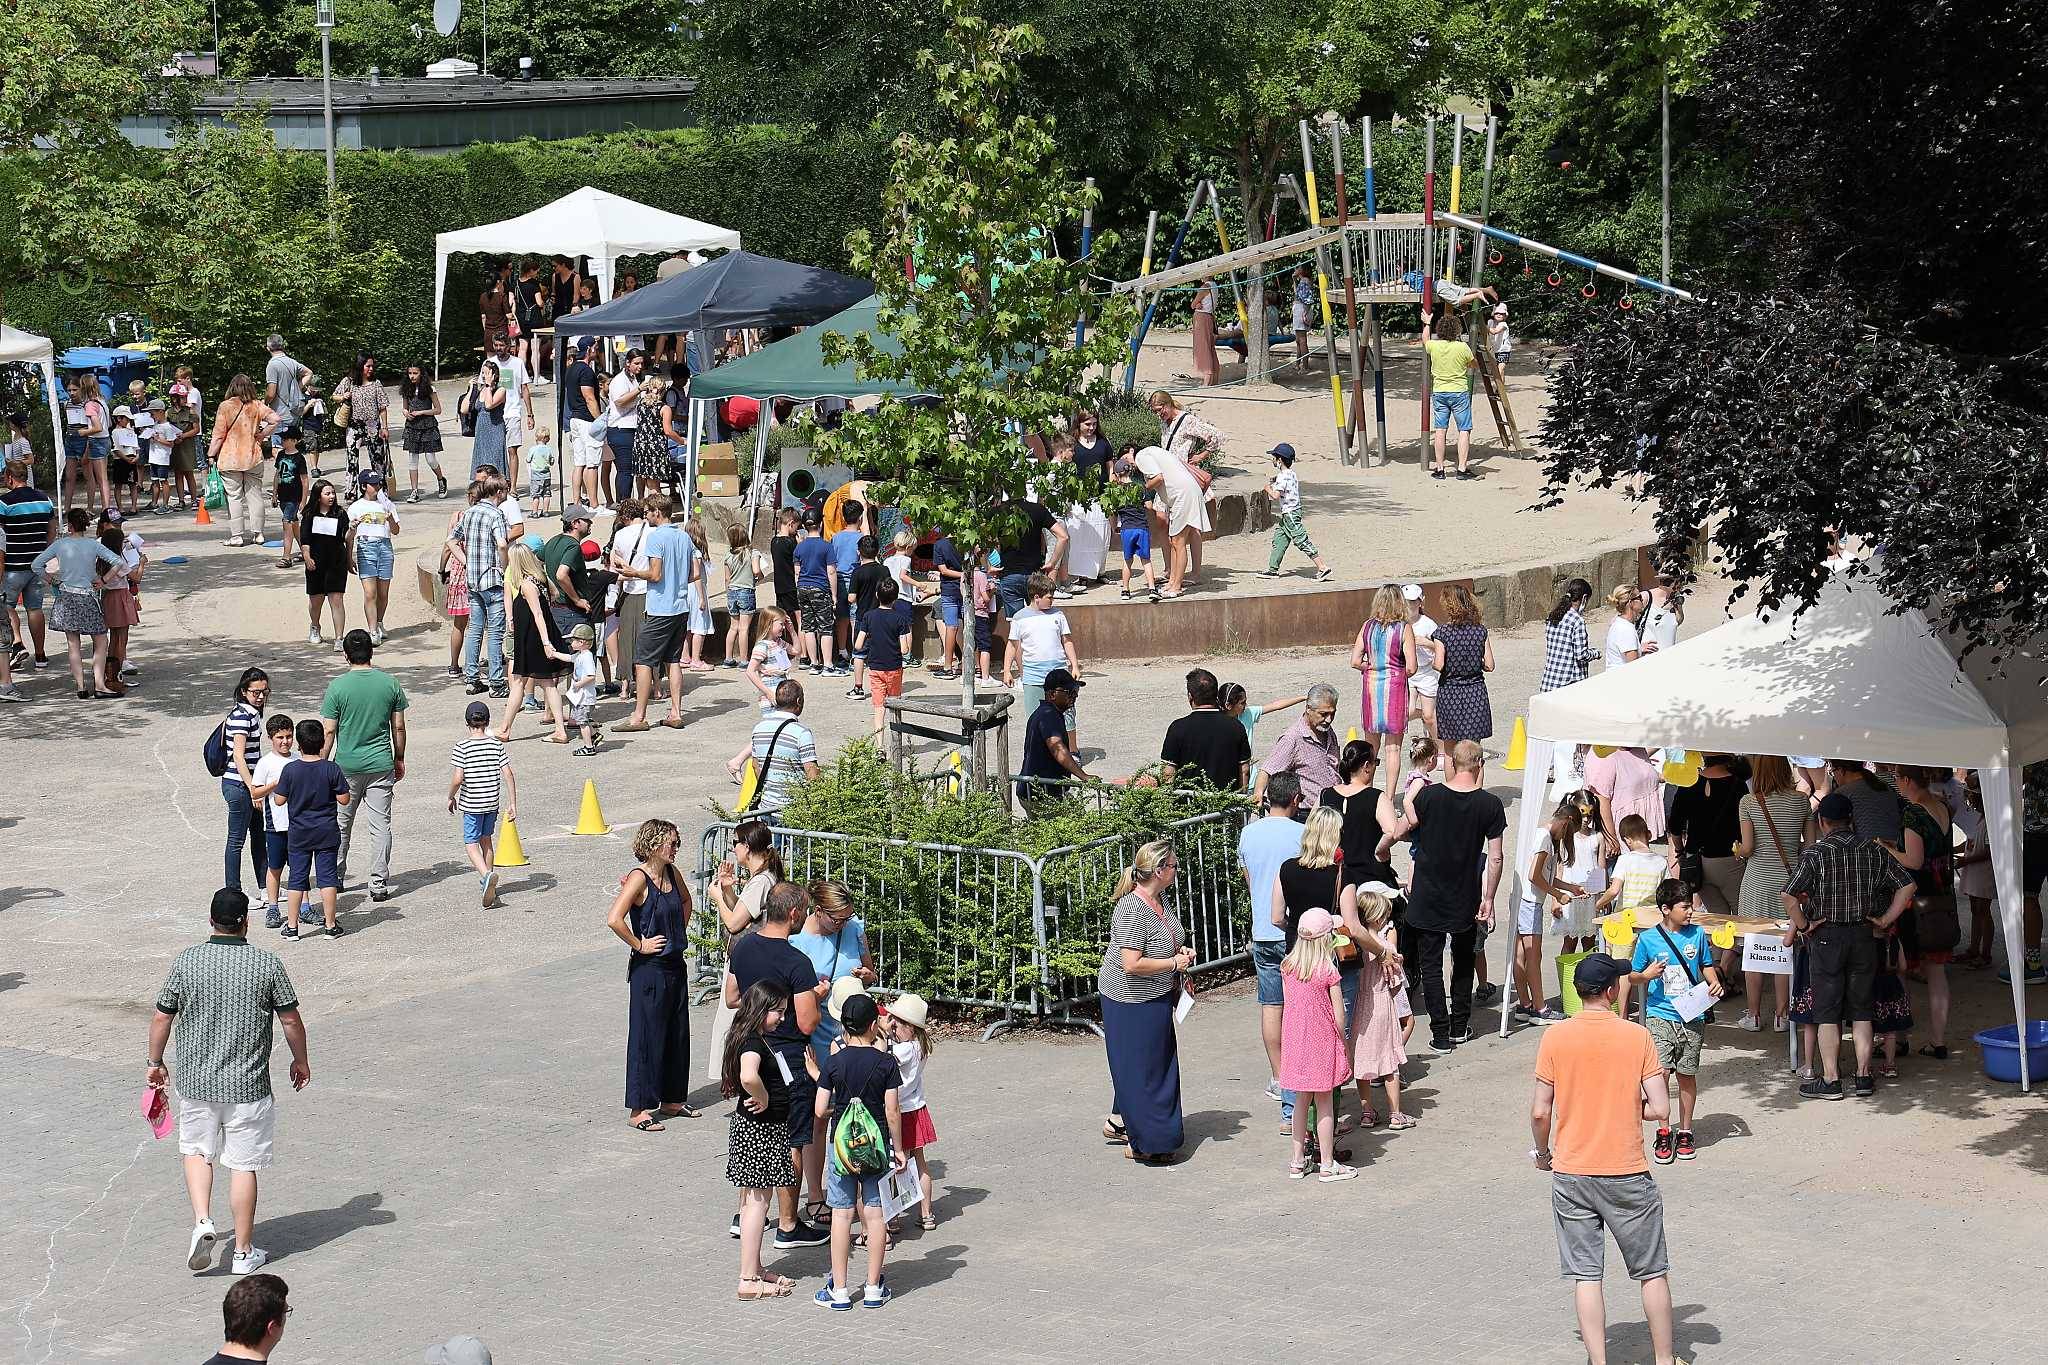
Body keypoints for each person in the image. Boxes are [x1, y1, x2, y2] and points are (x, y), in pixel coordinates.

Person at [148, 888, 310, 1278]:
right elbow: (290, 1020)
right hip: (249, 1087)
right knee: (243, 1165)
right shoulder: (266, 964)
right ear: (246, 922)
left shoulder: (187, 961)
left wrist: (155, 1063)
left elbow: (161, 1017)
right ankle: (242, 1251)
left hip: (197, 1084)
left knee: (196, 1152)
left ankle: (203, 1221)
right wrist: (300, 1060)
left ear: (210, 921)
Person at [1529, 953, 1680, 1365]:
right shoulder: (1637, 1037)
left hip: (1572, 1170)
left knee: (1586, 1274)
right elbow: (1661, 1108)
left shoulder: (1555, 1038)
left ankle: (1599, 1361)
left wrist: (1543, 1154)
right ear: (1612, 991)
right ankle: (1664, 1360)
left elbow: (1541, 1111)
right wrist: (1629, 1104)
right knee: (1651, 1271)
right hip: (1626, 1170)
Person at [1785, 791, 1916, 1099]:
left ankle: (1831, 1080)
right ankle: (1863, 1076)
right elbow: (1908, 885)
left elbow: (1789, 895)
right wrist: (1884, 920)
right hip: (1864, 936)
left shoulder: (1814, 855)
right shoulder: (1872, 851)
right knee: (1862, 1009)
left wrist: (1804, 926)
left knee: (1826, 1011)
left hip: (1826, 937)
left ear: (1823, 822)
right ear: (1852, 819)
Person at [726, 881, 831, 1248]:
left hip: (748, 1046)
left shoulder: (742, 945)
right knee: (794, 1139)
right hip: (788, 1057)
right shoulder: (796, 962)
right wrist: (816, 996)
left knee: (755, 1132)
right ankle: (788, 1222)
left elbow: (732, 997)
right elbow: (806, 1023)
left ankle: (746, 1214)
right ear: (792, 914)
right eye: (803, 910)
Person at [1404, 740, 1505, 1050]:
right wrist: (1488, 897)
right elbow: (1497, 857)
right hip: (1466, 893)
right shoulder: (1489, 805)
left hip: (1428, 891)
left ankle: (1440, 1033)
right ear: (1479, 766)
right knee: (1463, 958)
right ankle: (1460, 1025)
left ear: (1451, 764)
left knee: (1430, 963)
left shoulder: (1429, 796)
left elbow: (1407, 828)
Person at [1097, 840, 1193, 1164]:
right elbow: (1131, 963)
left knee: (1152, 1064)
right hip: (1129, 999)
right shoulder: (1132, 909)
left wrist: (1180, 952)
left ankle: (1120, 1119)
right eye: (1174, 866)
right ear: (1159, 870)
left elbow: (1166, 941)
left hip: (1158, 995)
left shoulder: (1160, 899)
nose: (1177, 871)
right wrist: (1173, 964)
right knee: (1142, 1069)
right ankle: (1146, 1141)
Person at [810, 989, 904, 1310]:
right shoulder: (886, 1063)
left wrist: (843, 1107)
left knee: (841, 1213)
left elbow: (821, 1109)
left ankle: (839, 1290)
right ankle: (874, 1287)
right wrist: (900, 1148)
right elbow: (893, 1111)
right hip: (876, 1148)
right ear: (871, 1026)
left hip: (843, 1148)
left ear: (844, 1026)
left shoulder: (834, 1063)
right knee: (875, 1214)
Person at [608, 819, 696, 1131]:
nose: (676, 848)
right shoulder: (639, 878)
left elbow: (686, 901)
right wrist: (639, 944)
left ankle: (672, 1098)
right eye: (672, 842)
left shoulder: (672, 873)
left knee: (677, 1031)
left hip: (675, 964)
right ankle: (639, 1109)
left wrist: (677, 932)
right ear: (655, 844)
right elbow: (614, 918)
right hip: (651, 970)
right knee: (647, 1036)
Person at [1629, 879, 1723, 1165]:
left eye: (1691, 906)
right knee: (1660, 1076)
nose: (1691, 912)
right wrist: (1646, 976)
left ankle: (1685, 1131)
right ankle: (1663, 1130)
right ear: (1666, 909)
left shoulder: (1697, 935)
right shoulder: (1647, 939)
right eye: (1685, 907)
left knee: (1686, 1074)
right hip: (1659, 1014)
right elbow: (1633, 976)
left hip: (1691, 1015)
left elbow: (1706, 964)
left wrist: (1715, 982)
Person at [722, 980, 801, 1300]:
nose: (782, 1017)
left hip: (760, 1130)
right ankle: (749, 1279)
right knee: (757, 1203)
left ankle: (755, 1265)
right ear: (760, 1009)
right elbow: (748, 1076)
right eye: (777, 1012)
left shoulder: (753, 1036)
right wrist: (765, 1097)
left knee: (754, 1200)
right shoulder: (753, 1043)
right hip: (760, 1131)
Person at [320, 629, 408, 904]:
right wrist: (399, 757)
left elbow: (330, 731)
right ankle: (378, 883)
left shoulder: (337, 687)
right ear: (371, 652)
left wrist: (321, 763)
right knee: (380, 825)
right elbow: (399, 726)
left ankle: (335, 877)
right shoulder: (390, 684)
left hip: (346, 767)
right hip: (381, 763)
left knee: (341, 823)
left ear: (346, 655)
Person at [1241, 772, 1306, 1107]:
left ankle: (1279, 1076)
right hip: (1295, 930)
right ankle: (1298, 1075)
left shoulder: (1248, 833)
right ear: (1295, 798)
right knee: (1299, 1007)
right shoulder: (1301, 833)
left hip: (1263, 929)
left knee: (1271, 1005)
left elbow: (1251, 881)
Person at [1278, 908, 1356, 1182]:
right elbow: (1338, 1013)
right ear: (1326, 939)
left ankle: (1297, 1161)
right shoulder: (1327, 970)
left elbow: (1290, 1004)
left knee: (1301, 1101)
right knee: (1324, 1103)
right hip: (1322, 1042)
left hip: (1296, 1042)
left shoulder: (1288, 966)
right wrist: (1343, 1041)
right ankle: (1327, 1163)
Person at [1893, 765, 1956, 1058]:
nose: (1896, 783)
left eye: (1897, 778)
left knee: (1902, 967)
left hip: (1916, 899)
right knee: (1937, 970)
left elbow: (1914, 861)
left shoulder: (1913, 813)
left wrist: (1886, 848)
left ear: (1907, 780)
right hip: (1943, 896)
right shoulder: (1941, 806)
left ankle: (1900, 1037)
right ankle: (1938, 1039)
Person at [615, 496, 691, 731]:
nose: (645, 515)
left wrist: (633, 572)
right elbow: (694, 572)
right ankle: (676, 712)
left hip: (661, 608)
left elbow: (655, 575)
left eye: (648, 511)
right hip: (680, 606)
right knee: (673, 660)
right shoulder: (684, 535)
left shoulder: (656, 537)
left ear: (658, 512)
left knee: (642, 659)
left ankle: (639, 716)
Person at [31, 505, 121, 697]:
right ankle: (99, 684)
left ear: (70, 526)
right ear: (85, 525)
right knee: (100, 640)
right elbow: (118, 562)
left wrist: (50, 579)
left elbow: (36, 565)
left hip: (66, 597)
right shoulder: (93, 545)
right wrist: (103, 580)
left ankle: (80, 686)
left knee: (73, 643)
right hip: (87, 596)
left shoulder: (60, 545)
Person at [272, 719, 350, 937]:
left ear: (298, 743)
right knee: (327, 878)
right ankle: (330, 925)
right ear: (322, 742)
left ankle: (292, 927)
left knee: (297, 878)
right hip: (326, 831)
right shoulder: (331, 768)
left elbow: (279, 800)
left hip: (299, 833)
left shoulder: (291, 769)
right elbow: (344, 799)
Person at [497, 537, 575, 743]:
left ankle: (505, 729)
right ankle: (559, 729)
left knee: (520, 684)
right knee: (547, 683)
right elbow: (552, 598)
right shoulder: (540, 579)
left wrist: (546, 643)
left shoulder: (526, 584)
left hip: (531, 640)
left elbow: (538, 614)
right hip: (535, 637)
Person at [1349, 889, 1413, 1127]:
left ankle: (1367, 1112)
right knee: (1389, 1063)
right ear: (1377, 918)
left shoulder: (1356, 944)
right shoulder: (1385, 948)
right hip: (1382, 1004)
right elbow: (1395, 979)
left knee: (1363, 1061)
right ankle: (1395, 1112)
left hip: (1359, 1005)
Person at [449, 700, 515, 907]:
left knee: (470, 844)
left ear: (467, 723)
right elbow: (508, 773)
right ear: (487, 722)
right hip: (491, 802)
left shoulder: (462, 746)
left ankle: (486, 875)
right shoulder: (496, 744)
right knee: (486, 841)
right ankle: (489, 883)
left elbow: (458, 778)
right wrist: (513, 804)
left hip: (472, 804)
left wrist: (451, 796)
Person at [1004, 573, 1082, 749]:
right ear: (1036, 597)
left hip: (1059, 674)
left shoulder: (1058, 615)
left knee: (1067, 714)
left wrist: (1074, 665)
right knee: (1035, 717)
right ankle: (1038, 752)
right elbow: (1012, 645)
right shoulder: (1019, 617)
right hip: (1033, 676)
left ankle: (1073, 750)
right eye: (1049, 597)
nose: (1052, 600)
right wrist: (1007, 670)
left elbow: (1067, 641)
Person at [448, 477, 510, 695]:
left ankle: (472, 679)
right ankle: (496, 682)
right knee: (495, 632)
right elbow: (502, 543)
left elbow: (451, 541)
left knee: (474, 630)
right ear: (499, 492)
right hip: (493, 580)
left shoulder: (470, 512)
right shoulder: (496, 514)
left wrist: (467, 562)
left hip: (473, 581)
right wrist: (506, 568)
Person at [1668, 755, 1751, 914]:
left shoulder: (1689, 784)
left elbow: (1675, 825)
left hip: (1697, 861)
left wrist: (1680, 851)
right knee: (1741, 915)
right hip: (1730, 858)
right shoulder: (1739, 785)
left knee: (1717, 917)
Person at [205, 376, 280, 548]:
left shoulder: (225, 406)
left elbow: (218, 435)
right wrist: (262, 435)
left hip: (229, 458)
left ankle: (237, 536)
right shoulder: (257, 405)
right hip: (253, 457)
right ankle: (259, 534)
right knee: (255, 496)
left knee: (234, 497)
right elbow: (276, 419)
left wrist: (211, 455)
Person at [885, 993, 939, 1231]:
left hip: (900, 1110)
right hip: (917, 1108)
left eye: (897, 1023)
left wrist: (884, 1036)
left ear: (911, 1027)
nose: (893, 1027)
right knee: (920, 1162)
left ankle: (894, 1216)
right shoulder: (920, 1045)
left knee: (896, 1165)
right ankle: (926, 1212)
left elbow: (883, 1059)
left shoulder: (904, 1050)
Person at [217, 667, 273, 897]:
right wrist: (253, 789)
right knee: (236, 840)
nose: (260, 697)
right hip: (240, 786)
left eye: (264, 692)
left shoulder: (251, 713)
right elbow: (239, 756)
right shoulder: (241, 717)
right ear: (243, 691)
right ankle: (234, 892)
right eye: (255, 692)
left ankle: (265, 886)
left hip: (249, 785)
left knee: (259, 835)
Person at [1129, 443, 1208, 598]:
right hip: (1183, 495)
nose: (1127, 463)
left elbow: (1158, 478)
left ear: (1132, 452)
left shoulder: (1141, 456)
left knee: (1179, 543)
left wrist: (1143, 488)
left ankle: (1176, 586)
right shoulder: (1152, 452)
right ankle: (1172, 582)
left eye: (1126, 458)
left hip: (1182, 497)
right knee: (1173, 542)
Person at [1350, 585, 1418, 768]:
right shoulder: (1404, 628)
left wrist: (1372, 667)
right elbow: (1411, 668)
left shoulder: (1367, 626)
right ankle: (1388, 795)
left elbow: (1355, 661)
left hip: (1371, 686)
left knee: (1370, 746)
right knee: (1393, 748)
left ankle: (1367, 791)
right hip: (1395, 687)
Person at [2, 456, 56, 673]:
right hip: (36, 565)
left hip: (12, 565)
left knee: (6, 606)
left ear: (9, 477)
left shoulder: (4, 503)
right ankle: (41, 654)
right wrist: (42, 552)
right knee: (35, 608)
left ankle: (17, 643)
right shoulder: (45, 500)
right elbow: (51, 531)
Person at [1160, 666, 1252, 791]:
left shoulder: (1177, 728)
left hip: (1188, 806)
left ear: (1190, 696)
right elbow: (1244, 770)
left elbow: (1168, 772)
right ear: (1216, 695)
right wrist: (1241, 800)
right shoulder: (1236, 727)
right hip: (1227, 806)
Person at [1252, 683, 1342, 808]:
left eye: (1332, 713)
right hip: (1307, 814)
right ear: (1308, 709)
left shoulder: (1327, 730)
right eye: (1323, 714)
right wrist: (1258, 793)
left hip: (1331, 810)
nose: (1329, 719)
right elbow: (1268, 770)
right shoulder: (1292, 738)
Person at [247, 714, 297, 930]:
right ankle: (273, 907)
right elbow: (255, 791)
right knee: (275, 867)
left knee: (298, 868)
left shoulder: (298, 759)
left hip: (298, 824)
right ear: (270, 738)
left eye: (288, 736)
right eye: (280, 737)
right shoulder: (265, 762)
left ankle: (303, 906)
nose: (285, 742)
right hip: (276, 825)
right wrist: (276, 784)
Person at [749, 679, 822, 820]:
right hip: (793, 811)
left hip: (766, 808)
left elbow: (755, 766)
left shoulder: (758, 728)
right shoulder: (801, 733)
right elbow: (812, 772)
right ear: (799, 701)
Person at [1432, 584, 1494, 744]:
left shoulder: (1442, 632)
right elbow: (1490, 665)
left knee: (1450, 749)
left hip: (1450, 692)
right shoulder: (1480, 630)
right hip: (1475, 692)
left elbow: (1438, 665)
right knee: (1474, 748)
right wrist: (1473, 660)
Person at [1017, 668, 1089, 805]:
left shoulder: (1047, 713)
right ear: (1052, 694)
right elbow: (1058, 749)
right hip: (1040, 794)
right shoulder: (1048, 715)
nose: (1075, 696)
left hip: (1039, 791)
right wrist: (1083, 776)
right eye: (1069, 692)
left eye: (1076, 691)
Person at [1260, 442, 1332, 580]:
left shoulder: (1282, 476)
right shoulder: (1291, 474)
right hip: (1290, 513)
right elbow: (1285, 483)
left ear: (1279, 460)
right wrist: (1275, 480)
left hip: (1290, 514)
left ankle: (1322, 567)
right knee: (1279, 539)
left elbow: (1275, 496)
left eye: (1274, 457)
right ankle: (1272, 569)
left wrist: (1267, 488)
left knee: (1301, 540)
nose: (1272, 460)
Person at [345, 472, 401, 645]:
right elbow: (349, 536)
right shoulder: (355, 507)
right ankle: (372, 630)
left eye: (378, 484)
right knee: (371, 593)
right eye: (373, 484)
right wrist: (349, 557)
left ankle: (379, 622)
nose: (377, 487)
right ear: (363, 486)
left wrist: (391, 519)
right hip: (366, 547)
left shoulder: (386, 504)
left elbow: (396, 530)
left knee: (383, 593)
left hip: (385, 547)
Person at [854, 577, 912, 735]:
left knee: (879, 707)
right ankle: (896, 742)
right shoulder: (900, 619)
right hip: (894, 667)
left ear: (877, 595)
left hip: (875, 667)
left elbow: (858, 645)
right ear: (896, 598)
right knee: (894, 704)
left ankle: (880, 746)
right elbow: (905, 650)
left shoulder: (868, 616)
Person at [1423, 313, 1477, 478]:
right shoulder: (1462, 347)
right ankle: (1461, 469)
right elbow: (1473, 364)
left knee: (1440, 429)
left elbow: (1424, 339)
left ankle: (1440, 469)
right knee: (1464, 430)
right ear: (1457, 331)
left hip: (1439, 392)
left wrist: (1427, 323)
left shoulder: (1434, 346)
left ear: (1439, 330)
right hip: (1459, 391)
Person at [1586, 745, 1665, 855]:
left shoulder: (1636, 748)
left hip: (1636, 837)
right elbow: (1601, 800)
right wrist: (1611, 839)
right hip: (1618, 841)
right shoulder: (1604, 755)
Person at [297, 481, 349, 648]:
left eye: (333, 493)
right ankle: (315, 625)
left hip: (336, 562)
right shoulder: (309, 515)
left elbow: (346, 537)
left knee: (337, 599)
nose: (332, 496)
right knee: (316, 600)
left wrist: (353, 529)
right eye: (327, 494)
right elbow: (305, 539)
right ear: (318, 497)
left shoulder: (340, 514)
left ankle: (339, 638)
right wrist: (307, 556)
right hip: (316, 563)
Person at [842, 533, 889, 700]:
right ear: (877, 551)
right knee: (881, 651)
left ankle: (858, 687)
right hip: (882, 615)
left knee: (859, 652)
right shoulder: (884, 570)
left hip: (863, 617)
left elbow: (851, 598)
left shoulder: (858, 572)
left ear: (858, 552)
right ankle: (885, 686)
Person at [792, 509, 838, 675]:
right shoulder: (826, 547)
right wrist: (834, 595)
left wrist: (800, 587)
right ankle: (828, 665)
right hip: (820, 588)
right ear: (821, 524)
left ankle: (814, 663)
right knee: (825, 627)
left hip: (802, 588)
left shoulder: (799, 548)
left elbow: (797, 572)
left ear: (804, 525)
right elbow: (831, 571)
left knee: (809, 627)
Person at [562, 339, 606, 511]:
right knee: (592, 463)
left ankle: (577, 501)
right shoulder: (586, 371)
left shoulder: (570, 369)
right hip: (586, 420)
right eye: (595, 348)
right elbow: (589, 398)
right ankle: (594, 504)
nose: (597, 350)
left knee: (579, 463)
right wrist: (600, 420)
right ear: (589, 349)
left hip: (574, 419)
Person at [1108, 455, 1159, 601]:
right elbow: (1149, 506)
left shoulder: (1115, 492)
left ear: (1117, 474)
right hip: (1142, 528)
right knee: (1146, 560)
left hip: (1127, 529)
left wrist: (1114, 528)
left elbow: (1112, 513)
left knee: (1127, 560)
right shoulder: (1140, 488)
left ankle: (1125, 590)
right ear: (1130, 471)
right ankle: (1152, 589)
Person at [397, 363, 448, 504]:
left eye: (415, 373)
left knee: (430, 458)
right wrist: (406, 413)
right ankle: (414, 491)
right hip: (412, 427)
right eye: (410, 373)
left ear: (421, 374)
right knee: (413, 459)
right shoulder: (406, 389)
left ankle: (441, 479)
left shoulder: (430, 389)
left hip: (428, 426)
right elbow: (404, 408)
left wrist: (422, 412)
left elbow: (438, 410)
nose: (412, 376)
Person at [605, 349, 648, 506]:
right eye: (636, 363)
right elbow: (619, 402)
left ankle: (627, 502)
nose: (640, 366)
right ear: (627, 363)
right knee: (625, 470)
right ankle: (623, 503)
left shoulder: (633, 379)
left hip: (631, 429)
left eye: (641, 363)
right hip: (620, 429)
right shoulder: (619, 380)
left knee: (631, 469)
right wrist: (639, 390)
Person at [723, 523, 768, 671]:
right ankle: (743, 660)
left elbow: (727, 579)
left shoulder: (728, 555)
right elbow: (756, 570)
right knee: (744, 628)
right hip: (746, 592)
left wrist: (728, 593)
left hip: (732, 592)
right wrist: (760, 576)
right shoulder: (752, 553)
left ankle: (728, 658)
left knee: (733, 627)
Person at [563, 622, 603, 755]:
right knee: (582, 720)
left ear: (582, 642)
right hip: (580, 698)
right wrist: (554, 654)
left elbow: (591, 676)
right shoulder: (580, 655)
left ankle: (589, 747)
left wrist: (579, 684)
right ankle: (595, 735)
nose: (571, 643)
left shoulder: (586, 657)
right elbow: (569, 658)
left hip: (584, 698)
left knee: (582, 723)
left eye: (573, 640)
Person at [1603, 585, 1648, 669]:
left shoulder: (1619, 622)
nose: (1642, 600)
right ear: (1631, 602)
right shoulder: (1626, 630)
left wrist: (1639, 649)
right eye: (1640, 597)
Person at [1486, 303, 1512, 378]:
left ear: (1505, 316)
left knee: (1499, 369)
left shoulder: (1503, 324)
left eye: (1502, 313)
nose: (1499, 315)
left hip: (1504, 350)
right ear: (1493, 314)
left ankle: (1499, 388)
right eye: (1497, 313)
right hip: (1495, 350)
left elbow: (1495, 331)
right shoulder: (1490, 322)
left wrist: (1485, 327)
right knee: (1501, 372)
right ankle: (1501, 389)